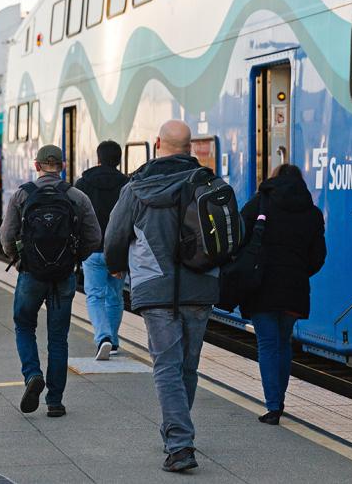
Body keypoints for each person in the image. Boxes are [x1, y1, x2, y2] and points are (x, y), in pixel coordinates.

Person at [104, 120, 218, 473]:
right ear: (190, 147)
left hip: (154, 288)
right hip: (200, 288)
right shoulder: (211, 184)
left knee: (167, 367)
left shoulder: (136, 188)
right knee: (187, 366)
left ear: (157, 144)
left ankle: (180, 443)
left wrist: (116, 265)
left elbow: (114, 238)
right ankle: (176, 431)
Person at [0, 145, 101, 418]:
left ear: (37, 165)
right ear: (63, 165)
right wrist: (74, 258)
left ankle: (32, 374)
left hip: (31, 274)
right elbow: (94, 237)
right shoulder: (77, 196)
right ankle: (55, 401)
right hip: (63, 276)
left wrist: (19, 259)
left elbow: (7, 236)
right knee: (58, 338)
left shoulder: (22, 195)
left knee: (24, 326)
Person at [239, 164, 326, 425]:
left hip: (261, 285)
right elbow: (318, 257)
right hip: (295, 288)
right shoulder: (312, 213)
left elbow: (240, 238)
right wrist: (299, 272)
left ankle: (273, 406)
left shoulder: (259, 203)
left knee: (267, 343)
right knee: (283, 342)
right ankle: (279, 400)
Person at [75, 140, 129, 360]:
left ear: (98, 158)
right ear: (118, 160)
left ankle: (103, 337)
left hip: (92, 249)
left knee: (95, 296)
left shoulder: (83, 183)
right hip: (117, 251)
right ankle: (113, 341)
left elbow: (76, 217)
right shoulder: (127, 185)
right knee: (115, 296)